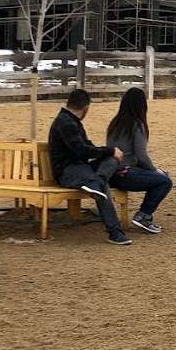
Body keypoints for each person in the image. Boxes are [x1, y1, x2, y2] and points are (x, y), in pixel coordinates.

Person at [48, 88, 132, 246]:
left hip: (81, 169)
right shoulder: (66, 123)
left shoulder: (70, 121)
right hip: (68, 171)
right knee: (104, 180)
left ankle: (97, 182)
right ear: (86, 108)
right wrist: (109, 150)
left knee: (111, 161)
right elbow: (82, 151)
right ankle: (114, 231)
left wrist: (109, 153)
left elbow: (87, 146)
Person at [105, 87, 173, 235]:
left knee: (161, 177)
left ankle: (144, 215)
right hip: (126, 172)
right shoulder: (136, 124)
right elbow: (141, 155)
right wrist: (155, 170)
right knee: (165, 181)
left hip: (111, 173)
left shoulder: (115, 123)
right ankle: (144, 215)